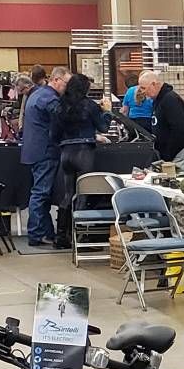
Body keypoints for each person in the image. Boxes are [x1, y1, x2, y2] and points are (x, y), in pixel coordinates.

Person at [51, 73, 110, 244]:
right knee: (83, 194)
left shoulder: (59, 106)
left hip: (66, 152)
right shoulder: (89, 105)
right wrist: (107, 112)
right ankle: (81, 237)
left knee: (68, 194)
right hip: (84, 152)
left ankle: (61, 236)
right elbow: (103, 127)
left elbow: (53, 135)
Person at [19, 66, 68, 247]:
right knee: (40, 193)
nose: (67, 87)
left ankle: (46, 232)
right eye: (66, 83)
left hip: (33, 150)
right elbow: (61, 122)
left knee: (42, 193)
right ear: (56, 80)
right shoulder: (50, 99)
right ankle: (36, 233)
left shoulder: (37, 94)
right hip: (45, 151)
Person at [138, 70, 184, 173]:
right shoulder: (158, 100)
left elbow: (180, 129)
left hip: (181, 150)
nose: (142, 91)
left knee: (181, 184)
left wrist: (168, 154)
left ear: (153, 84)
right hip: (173, 151)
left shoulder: (170, 99)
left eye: (143, 88)